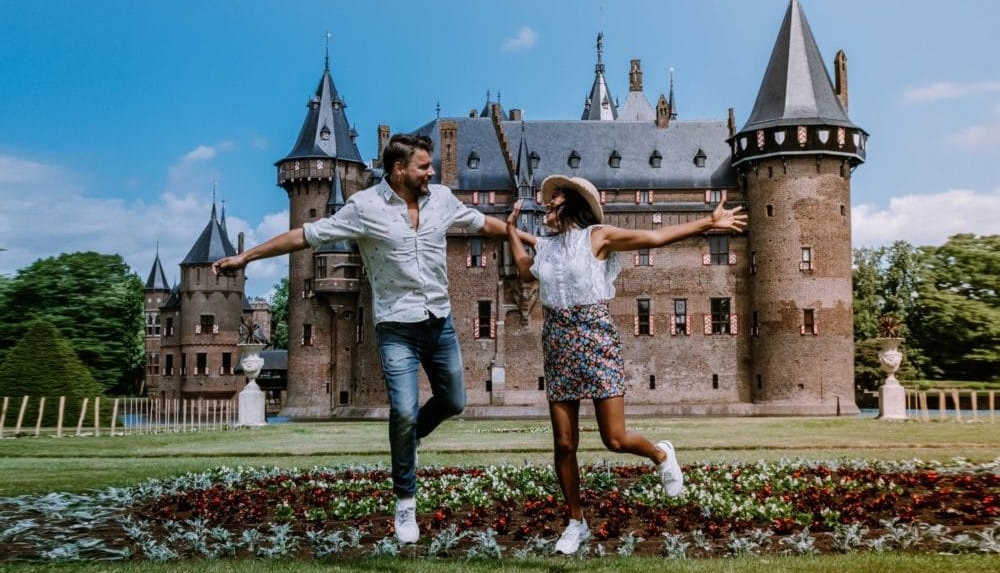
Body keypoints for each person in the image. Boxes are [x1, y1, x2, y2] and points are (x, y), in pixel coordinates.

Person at [213, 133, 527, 544]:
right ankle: (405, 502)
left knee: (454, 401)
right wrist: (247, 255)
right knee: (402, 408)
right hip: (396, 326)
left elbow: (482, 223)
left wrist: (525, 235)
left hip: (440, 321)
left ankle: (410, 439)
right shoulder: (366, 207)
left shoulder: (442, 200)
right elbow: (306, 235)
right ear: (399, 170)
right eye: (423, 166)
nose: (431, 172)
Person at [504, 175, 746, 555]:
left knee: (614, 438)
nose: (546, 206)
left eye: (553, 201)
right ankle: (575, 522)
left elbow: (654, 239)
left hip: (596, 337)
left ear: (570, 203)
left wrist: (708, 223)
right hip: (558, 340)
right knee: (564, 443)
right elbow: (523, 270)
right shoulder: (547, 249)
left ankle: (661, 453)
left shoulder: (598, 237)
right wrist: (510, 230)